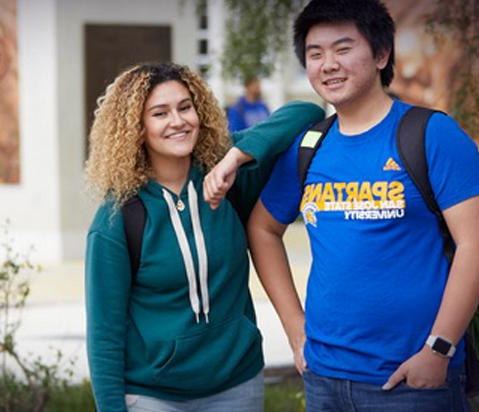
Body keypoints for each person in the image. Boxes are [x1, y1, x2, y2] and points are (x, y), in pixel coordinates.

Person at [245, 1, 479, 411]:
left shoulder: (432, 134)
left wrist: (439, 349)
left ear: (381, 55)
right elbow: (262, 229)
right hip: (324, 378)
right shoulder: (309, 147)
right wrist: (295, 332)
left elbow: (478, 246)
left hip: (413, 379)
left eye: (343, 49)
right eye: (315, 53)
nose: (328, 64)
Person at [84, 62, 323, 412]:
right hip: (153, 395)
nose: (178, 121)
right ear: (137, 128)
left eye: (185, 107)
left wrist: (236, 157)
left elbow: (307, 112)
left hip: (237, 385)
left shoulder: (228, 178)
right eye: (160, 113)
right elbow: (105, 334)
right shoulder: (118, 220)